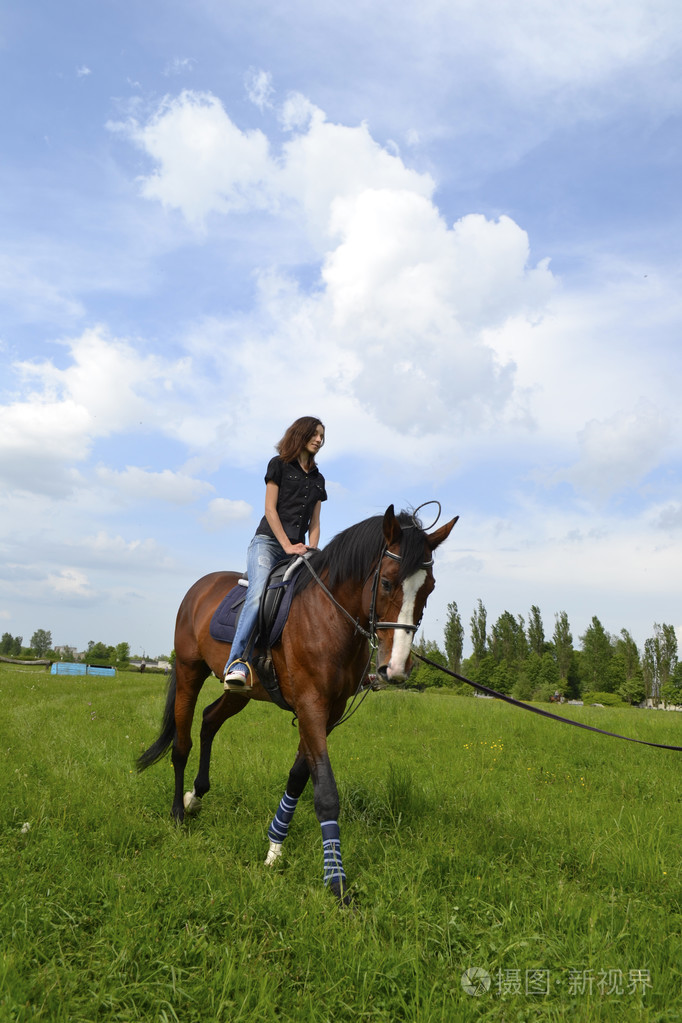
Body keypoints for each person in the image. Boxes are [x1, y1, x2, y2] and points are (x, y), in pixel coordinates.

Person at [223, 416, 327, 690]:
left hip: (299, 550)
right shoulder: (278, 465)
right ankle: (236, 663)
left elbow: (315, 522)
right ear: (301, 435)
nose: (319, 440)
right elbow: (270, 510)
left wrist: (313, 549)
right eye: (315, 434)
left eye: (322, 437)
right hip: (268, 543)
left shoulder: (318, 479)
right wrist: (287, 546)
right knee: (257, 597)